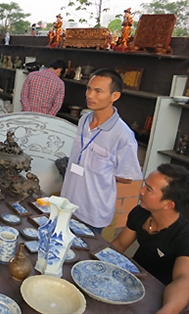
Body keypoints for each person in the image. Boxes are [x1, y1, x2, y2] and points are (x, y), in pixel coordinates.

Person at [61, 68, 143, 233]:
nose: (90, 95)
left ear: (115, 96)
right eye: (89, 89)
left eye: (98, 91)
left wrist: (102, 172)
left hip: (92, 212)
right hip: (67, 204)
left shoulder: (123, 135)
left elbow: (127, 177)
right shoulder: (84, 120)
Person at [112, 164, 189, 313]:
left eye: (148, 189)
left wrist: (168, 310)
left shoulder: (184, 235)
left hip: (162, 293)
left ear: (168, 204)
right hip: (134, 276)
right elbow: (119, 244)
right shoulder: (140, 213)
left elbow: (183, 278)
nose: (141, 191)